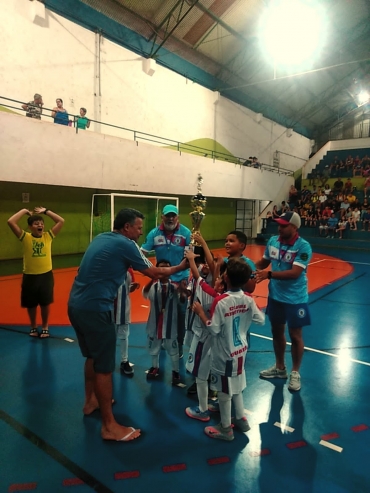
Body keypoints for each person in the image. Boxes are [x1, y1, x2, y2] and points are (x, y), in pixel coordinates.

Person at [67, 208, 187, 442]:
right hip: (95, 310)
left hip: (76, 305)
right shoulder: (126, 244)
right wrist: (181, 267)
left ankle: (91, 401)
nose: (141, 233)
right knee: (104, 366)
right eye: (139, 228)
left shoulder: (102, 237)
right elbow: (152, 271)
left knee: (92, 356)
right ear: (126, 228)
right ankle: (109, 426)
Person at [192, 258, 265, 441]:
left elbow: (214, 328)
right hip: (241, 351)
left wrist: (201, 312)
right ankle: (240, 418)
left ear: (227, 278)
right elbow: (260, 320)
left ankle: (225, 428)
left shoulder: (222, 301)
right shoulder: (248, 299)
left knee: (224, 391)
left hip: (224, 353)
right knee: (237, 386)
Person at [255, 211, 312, 392]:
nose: (279, 228)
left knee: (296, 336)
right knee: (277, 331)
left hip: (296, 299)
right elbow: (264, 263)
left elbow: (295, 273)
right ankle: (280, 368)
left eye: (284, 225)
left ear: (294, 227)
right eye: (279, 225)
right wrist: (244, 265)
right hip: (275, 297)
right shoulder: (273, 241)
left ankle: (295, 372)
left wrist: (269, 275)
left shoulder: (304, 247)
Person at [141, 204, 191, 356]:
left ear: (178, 217)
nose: (170, 218)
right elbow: (142, 253)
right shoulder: (154, 234)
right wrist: (151, 272)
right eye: (167, 215)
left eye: (173, 216)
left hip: (181, 280)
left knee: (181, 314)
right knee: (159, 311)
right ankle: (160, 340)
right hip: (162, 281)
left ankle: (180, 345)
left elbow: (190, 257)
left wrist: (187, 277)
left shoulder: (186, 233)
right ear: (162, 217)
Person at [7, 206, 65, 337]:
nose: (40, 225)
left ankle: (45, 326)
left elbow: (61, 221)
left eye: (41, 223)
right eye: (36, 223)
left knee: (45, 303)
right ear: (30, 227)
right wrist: (23, 211)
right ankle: (33, 326)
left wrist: (46, 211)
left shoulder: (48, 236)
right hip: (30, 276)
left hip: (46, 276)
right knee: (31, 304)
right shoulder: (25, 237)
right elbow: (11, 222)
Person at [143, 259, 187, 385]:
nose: (164, 271)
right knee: (154, 348)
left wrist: (183, 290)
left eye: (167, 268)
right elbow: (145, 294)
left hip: (170, 325)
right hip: (154, 324)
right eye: (161, 268)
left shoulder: (174, 287)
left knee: (173, 349)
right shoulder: (153, 286)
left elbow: (182, 300)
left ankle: (175, 371)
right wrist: (152, 278)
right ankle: (155, 366)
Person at [115, 268, 140, 375]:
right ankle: (107, 360)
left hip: (123, 308)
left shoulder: (128, 271)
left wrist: (132, 287)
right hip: (108, 307)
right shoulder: (107, 267)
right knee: (107, 337)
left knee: (124, 335)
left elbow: (128, 288)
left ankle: (124, 361)